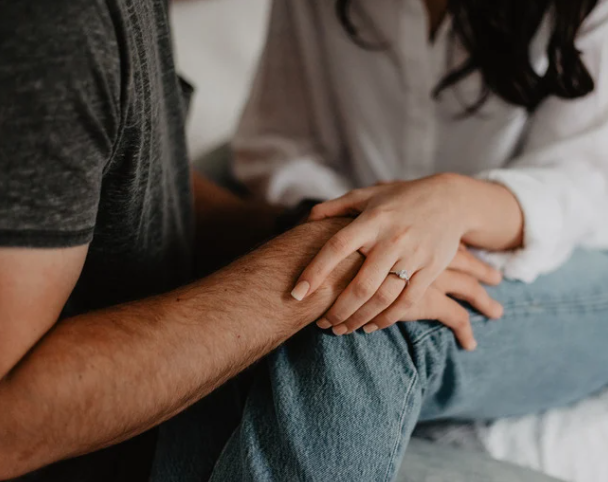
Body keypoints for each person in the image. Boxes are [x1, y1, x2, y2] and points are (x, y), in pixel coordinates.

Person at [170, 0, 608, 480]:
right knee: (238, 295)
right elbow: (279, 140)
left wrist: (449, 204)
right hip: (339, 206)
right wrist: (366, 232)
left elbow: (583, 179)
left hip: (569, 252)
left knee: (366, 316)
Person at [0, 0, 496, 480]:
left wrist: (305, 229)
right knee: (364, 321)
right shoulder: (54, 26)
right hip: (99, 444)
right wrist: (312, 264)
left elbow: (125, 176)